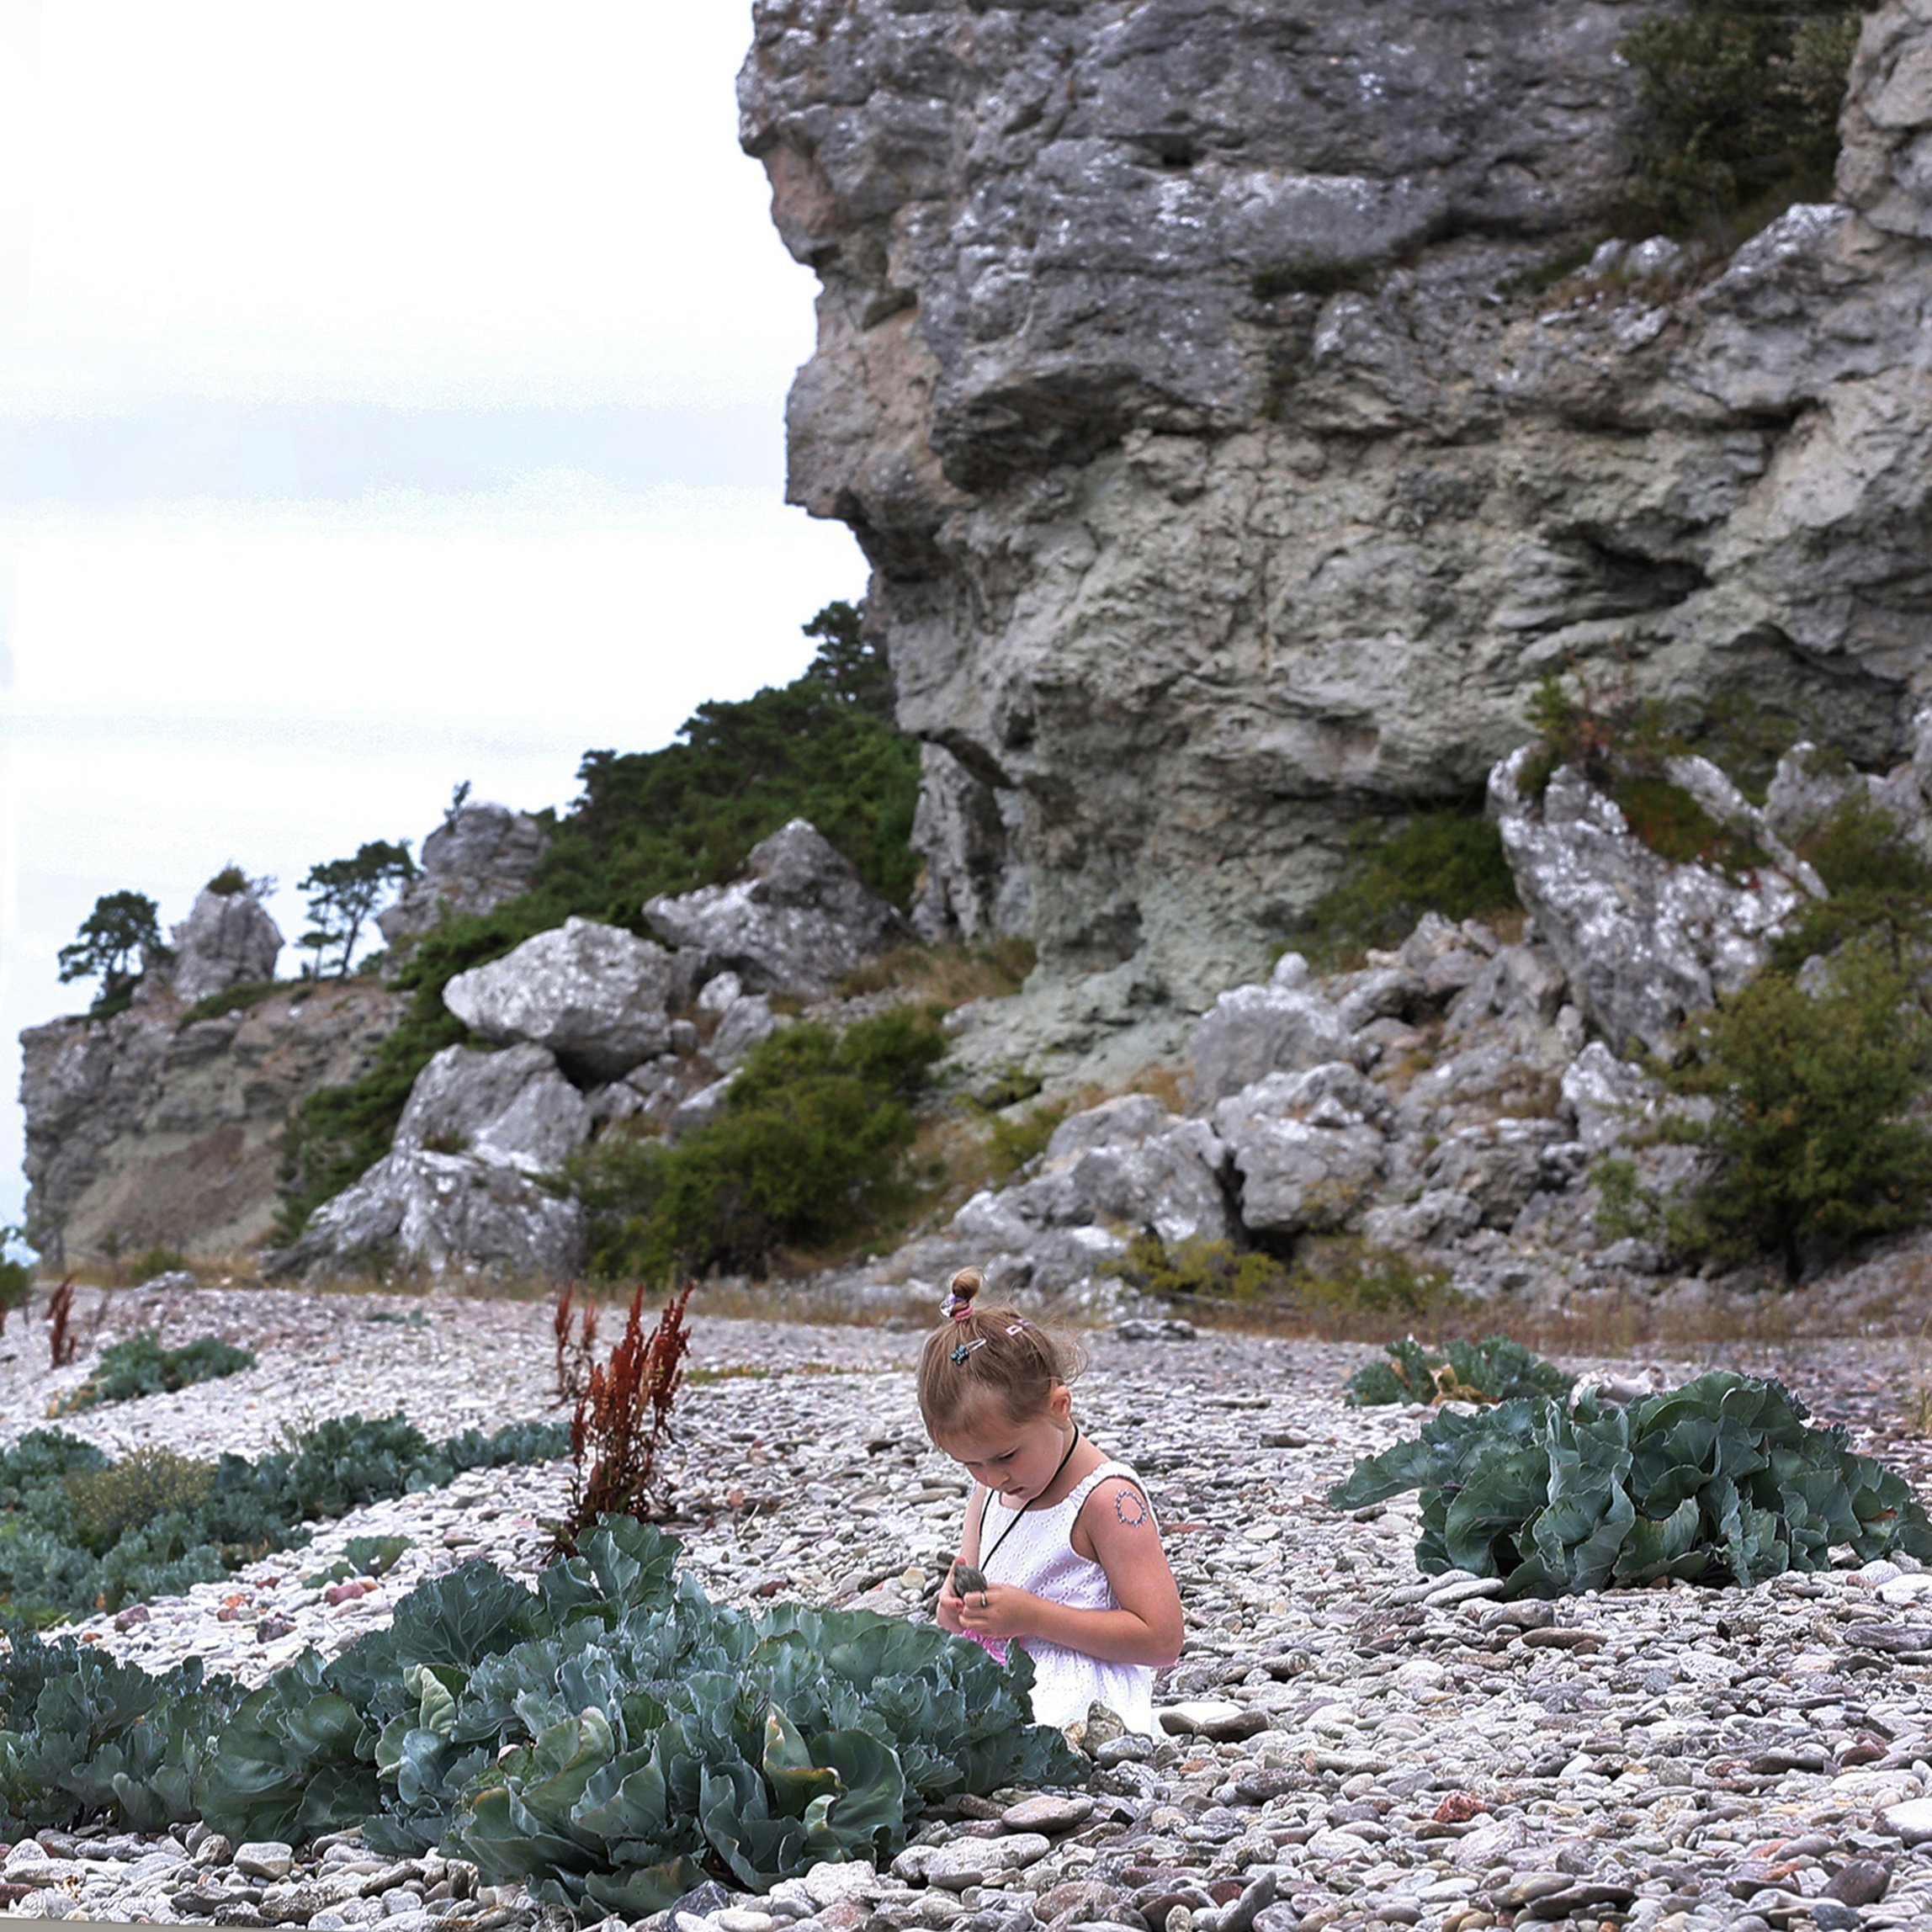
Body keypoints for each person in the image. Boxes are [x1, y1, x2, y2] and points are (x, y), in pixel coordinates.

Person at [916, 1266, 1183, 1733]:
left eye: (1005, 1456)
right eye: (971, 1465)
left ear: (1059, 1407)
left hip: (1083, 1685)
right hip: (999, 1670)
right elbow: (970, 1590)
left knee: (1018, 1735)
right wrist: (957, 1613)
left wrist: (1034, 1618)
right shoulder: (989, 1492)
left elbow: (1161, 1641)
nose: (993, 1477)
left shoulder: (1107, 1499)